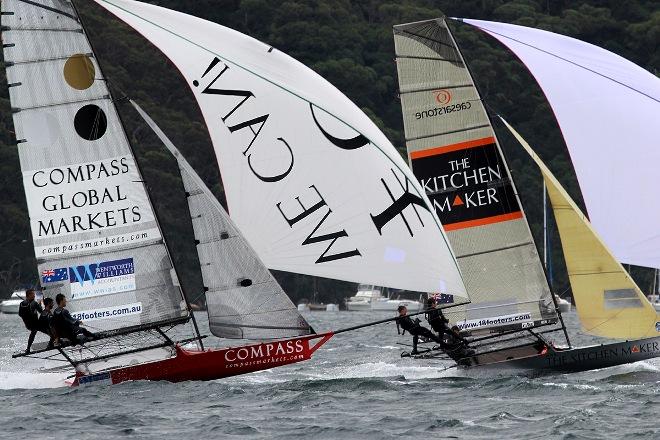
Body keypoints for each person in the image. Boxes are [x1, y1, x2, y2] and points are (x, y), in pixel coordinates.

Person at [18, 289, 47, 353]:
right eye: (33, 294)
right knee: (47, 326)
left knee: (34, 331)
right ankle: (54, 340)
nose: (34, 295)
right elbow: (42, 312)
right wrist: (40, 306)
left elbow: (20, 314)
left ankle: (28, 348)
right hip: (36, 324)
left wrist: (26, 317)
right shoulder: (34, 303)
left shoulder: (22, 303)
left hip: (28, 325)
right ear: (29, 295)